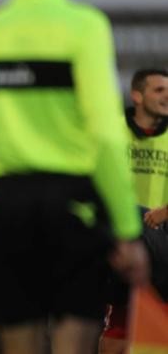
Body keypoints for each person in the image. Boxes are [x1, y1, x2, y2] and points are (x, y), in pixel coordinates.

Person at [0, 0, 150, 352]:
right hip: (72, 204)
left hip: (8, 206)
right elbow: (105, 135)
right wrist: (126, 228)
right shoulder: (85, 26)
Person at [100, 68, 168, 353]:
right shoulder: (111, 130)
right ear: (137, 95)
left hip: (163, 242)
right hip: (119, 238)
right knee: (117, 325)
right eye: (159, 90)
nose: (167, 96)